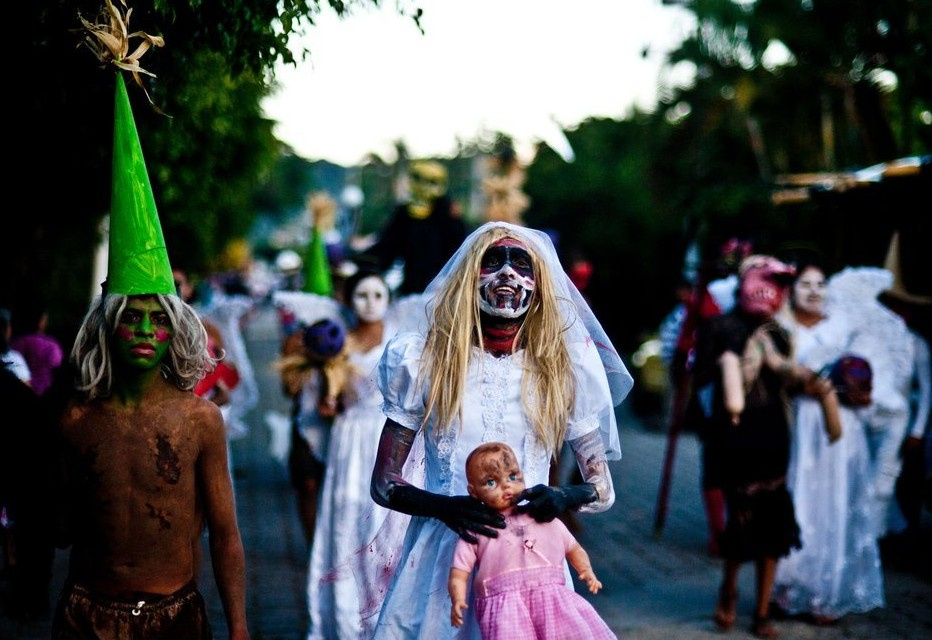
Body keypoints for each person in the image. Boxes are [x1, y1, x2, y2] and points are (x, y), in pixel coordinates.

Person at [52, 27, 249, 637]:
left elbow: (226, 532)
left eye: (156, 319)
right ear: (105, 329)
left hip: (175, 617)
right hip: (87, 614)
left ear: (176, 333)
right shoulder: (77, 419)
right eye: (129, 317)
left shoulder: (199, 420)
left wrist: (239, 624)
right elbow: (56, 524)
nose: (142, 329)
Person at [366, 221, 633, 639]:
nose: (507, 273)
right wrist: (444, 507)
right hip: (443, 563)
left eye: (520, 263)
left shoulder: (563, 370)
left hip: (533, 567)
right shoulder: (424, 362)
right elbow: (384, 483)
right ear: (468, 277)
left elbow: (602, 488)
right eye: (493, 261)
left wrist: (561, 496)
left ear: (539, 284)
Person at [690, 254, 803, 639]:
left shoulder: (780, 331)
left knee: (774, 522)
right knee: (741, 522)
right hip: (733, 438)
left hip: (773, 435)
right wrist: (730, 363)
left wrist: (782, 367)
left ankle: (761, 610)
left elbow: (791, 382)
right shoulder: (719, 326)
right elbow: (699, 376)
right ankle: (730, 590)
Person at [771, 261, 885, 624]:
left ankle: (827, 593)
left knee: (833, 502)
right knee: (799, 498)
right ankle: (788, 589)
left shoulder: (845, 327)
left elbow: (865, 374)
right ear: (793, 289)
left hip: (841, 426)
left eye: (821, 283)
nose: (814, 291)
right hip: (801, 422)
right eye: (806, 283)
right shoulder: (780, 327)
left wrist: (857, 390)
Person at [306, 268, 398, 640]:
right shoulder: (337, 344)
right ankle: (344, 620)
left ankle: (387, 620)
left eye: (377, 295)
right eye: (362, 295)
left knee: (388, 525)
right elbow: (319, 403)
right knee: (347, 522)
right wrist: (327, 400)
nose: (370, 303)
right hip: (351, 445)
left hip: (391, 440)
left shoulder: (403, 342)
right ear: (348, 299)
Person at [448, 441, 615, 639]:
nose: (506, 486)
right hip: (506, 612)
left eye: (512, 476)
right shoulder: (478, 529)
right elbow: (460, 571)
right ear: (473, 492)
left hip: (554, 603)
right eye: (491, 482)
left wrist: (586, 570)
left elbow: (573, 548)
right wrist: (457, 598)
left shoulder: (543, 517)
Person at [358, 160, 467, 295]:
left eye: (431, 182)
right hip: (412, 290)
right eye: (418, 179)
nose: (423, 187)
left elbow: (460, 255)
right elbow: (386, 249)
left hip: (445, 291)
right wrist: (360, 263)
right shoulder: (404, 214)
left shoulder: (449, 217)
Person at [10, 299, 64, 396]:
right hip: (46, 396)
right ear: (41, 320)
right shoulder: (51, 346)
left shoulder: (17, 343)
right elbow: (58, 369)